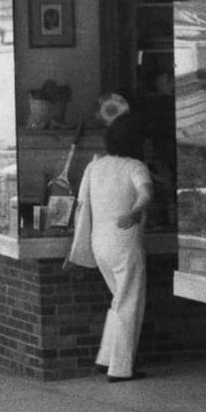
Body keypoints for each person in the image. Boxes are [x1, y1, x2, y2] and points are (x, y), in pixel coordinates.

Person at [63, 115, 153, 382]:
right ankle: (121, 368)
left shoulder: (95, 167)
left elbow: (81, 206)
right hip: (125, 241)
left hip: (98, 242)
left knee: (119, 299)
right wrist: (135, 212)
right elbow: (147, 193)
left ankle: (106, 358)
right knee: (130, 303)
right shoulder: (136, 166)